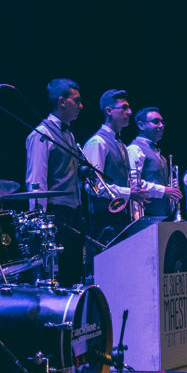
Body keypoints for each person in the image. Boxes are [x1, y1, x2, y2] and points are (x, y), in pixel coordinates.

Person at [25, 79, 85, 285]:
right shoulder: (42, 134)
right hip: (55, 216)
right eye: (76, 100)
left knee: (74, 277)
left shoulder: (69, 133)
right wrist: (39, 226)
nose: (81, 106)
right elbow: (36, 182)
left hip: (73, 215)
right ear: (62, 101)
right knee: (58, 279)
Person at [82, 89, 149, 242]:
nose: (130, 112)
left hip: (120, 219)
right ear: (109, 111)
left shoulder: (121, 144)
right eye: (124, 108)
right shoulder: (98, 142)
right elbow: (93, 187)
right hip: (103, 222)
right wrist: (129, 193)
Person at [127, 107, 183, 218]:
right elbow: (134, 184)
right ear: (141, 125)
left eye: (162, 122)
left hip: (162, 215)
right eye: (156, 122)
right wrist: (163, 190)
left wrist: (172, 188)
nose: (161, 125)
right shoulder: (135, 149)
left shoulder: (162, 157)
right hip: (145, 216)